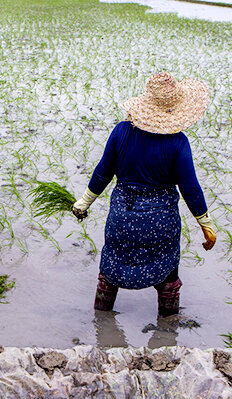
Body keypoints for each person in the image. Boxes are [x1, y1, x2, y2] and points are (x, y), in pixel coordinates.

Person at [72, 72, 216, 317]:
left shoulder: (120, 132)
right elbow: (190, 189)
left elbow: (102, 173)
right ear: (176, 109)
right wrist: (206, 225)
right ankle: (168, 331)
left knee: (110, 271)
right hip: (161, 223)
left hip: (122, 218)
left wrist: (82, 204)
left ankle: (101, 322)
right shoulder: (178, 142)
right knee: (168, 276)